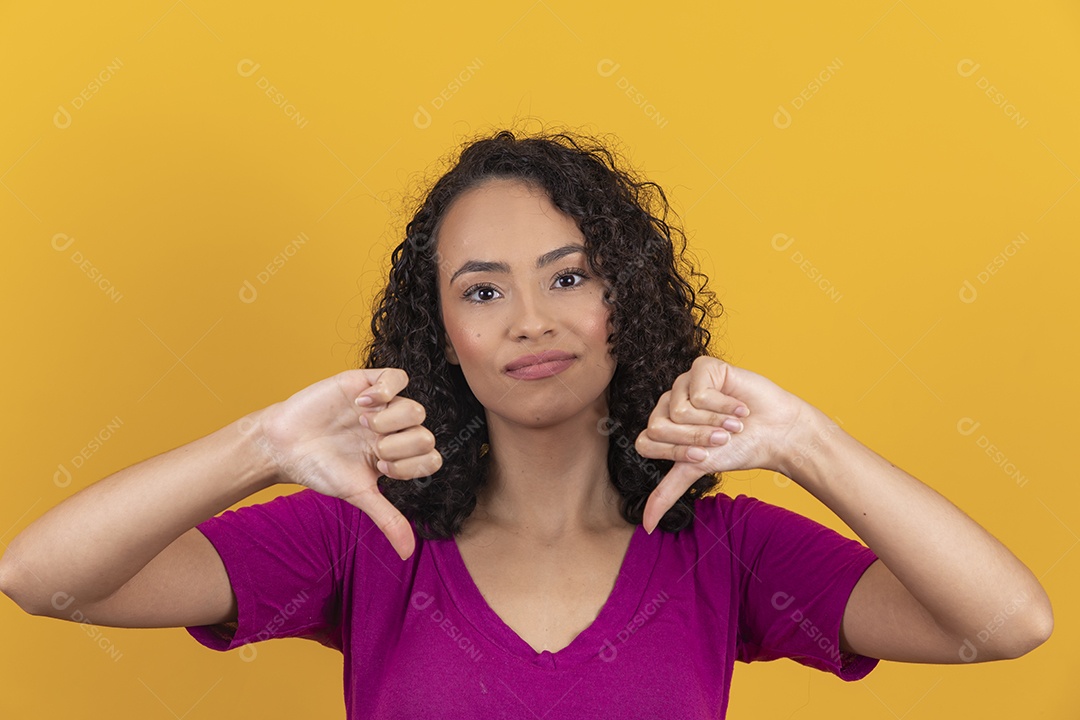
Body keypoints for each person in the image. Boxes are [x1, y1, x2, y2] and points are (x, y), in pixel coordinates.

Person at [0, 126, 1053, 718]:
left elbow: (1006, 626)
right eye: (485, 290)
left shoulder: (722, 555)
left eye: (570, 276)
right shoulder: (368, 541)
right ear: (441, 329)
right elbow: (43, 579)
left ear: (625, 299)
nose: (534, 322)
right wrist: (260, 448)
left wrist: (806, 441)